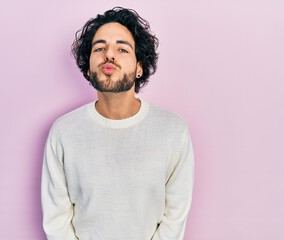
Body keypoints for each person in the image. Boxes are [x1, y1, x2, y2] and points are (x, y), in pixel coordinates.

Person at [41, 7, 194, 240]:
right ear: (89, 64)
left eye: (122, 48)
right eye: (99, 48)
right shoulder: (63, 132)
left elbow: (174, 219)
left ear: (140, 66)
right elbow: (56, 221)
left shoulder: (173, 131)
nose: (109, 55)